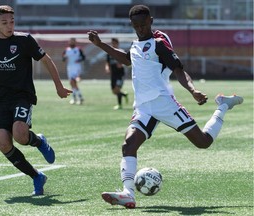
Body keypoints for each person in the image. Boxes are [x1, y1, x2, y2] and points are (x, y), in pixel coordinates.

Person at [88, 4, 243, 209]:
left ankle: (222, 106)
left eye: (143, 24)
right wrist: (100, 44)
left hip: (165, 104)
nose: (140, 29)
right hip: (143, 108)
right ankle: (128, 193)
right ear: (132, 25)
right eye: (136, 26)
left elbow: (179, 70)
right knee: (128, 144)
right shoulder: (135, 46)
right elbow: (126, 60)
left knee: (203, 142)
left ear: (150, 21)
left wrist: (192, 90)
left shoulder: (159, 44)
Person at [0, 5, 72, 196]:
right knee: (3, 143)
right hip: (0, 99)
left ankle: (39, 142)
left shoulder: (24, 40)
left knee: (20, 134)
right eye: (4, 23)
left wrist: (59, 87)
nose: (9, 25)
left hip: (22, 95)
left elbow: (46, 60)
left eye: (12, 21)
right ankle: (37, 176)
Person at [105, 38, 128, 110]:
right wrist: (107, 68)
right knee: (114, 91)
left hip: (120, 74)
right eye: (112, 43)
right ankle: (124, 94)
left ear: (117, 44)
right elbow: (107, 62)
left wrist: (121, 64)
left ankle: (119, 105)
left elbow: (126, 61)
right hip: (113, 74)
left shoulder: (121, 52)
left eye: (114, 43)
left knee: (117, 89)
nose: (113, 45)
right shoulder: (109, 52)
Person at [62, 38, 85, 105]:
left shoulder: (78, 49)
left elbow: (83, 57)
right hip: (69, 68)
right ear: (69, 42)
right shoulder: (66, 50)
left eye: (73, 41)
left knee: (73, 82)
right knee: (72, 83)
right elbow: (63, 59)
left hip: (77, 67)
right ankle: (79, 97)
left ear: (75, 42)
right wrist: (65, 58)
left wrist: (79, 60)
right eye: (71, 41)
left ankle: (75, 98)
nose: (72, 42)